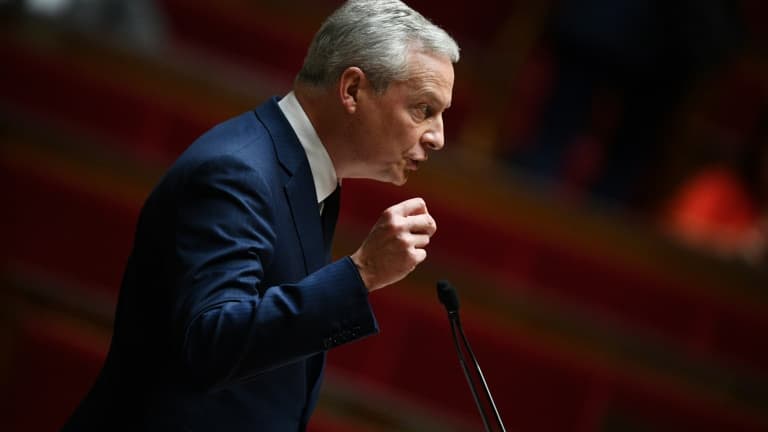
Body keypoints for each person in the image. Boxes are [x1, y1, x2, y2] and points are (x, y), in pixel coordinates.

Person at [61, 0, 459, 430]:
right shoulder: (238, 172)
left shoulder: (305, 176)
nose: (437, 137)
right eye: (424, 109)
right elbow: (212, 342)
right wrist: (361, 273)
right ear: (352, 90)